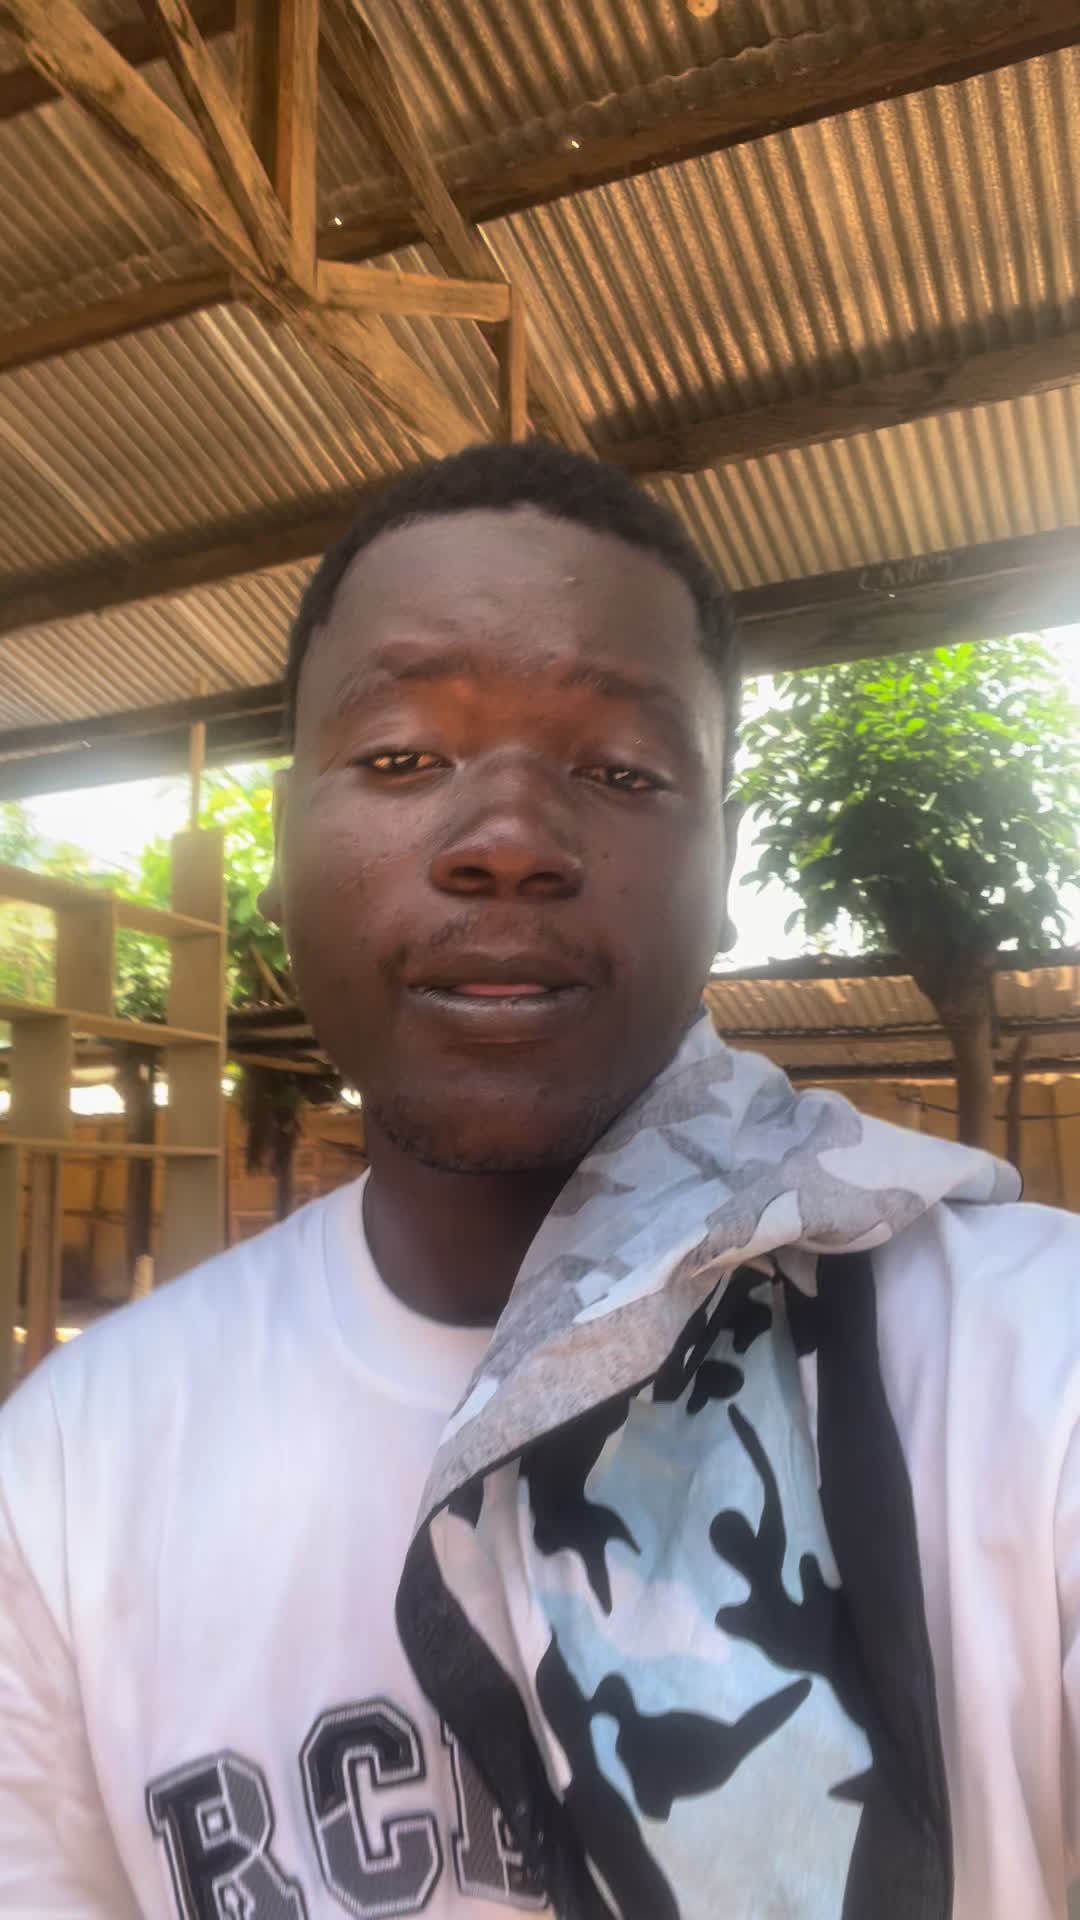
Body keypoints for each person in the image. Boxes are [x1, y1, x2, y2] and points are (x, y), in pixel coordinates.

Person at [1, 441, 1078, 1920]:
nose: (508, 842)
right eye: (401, 758)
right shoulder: (68, 1474)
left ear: (723, 858)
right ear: (287, 836)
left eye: (620, 770)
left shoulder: (1031, 1370)